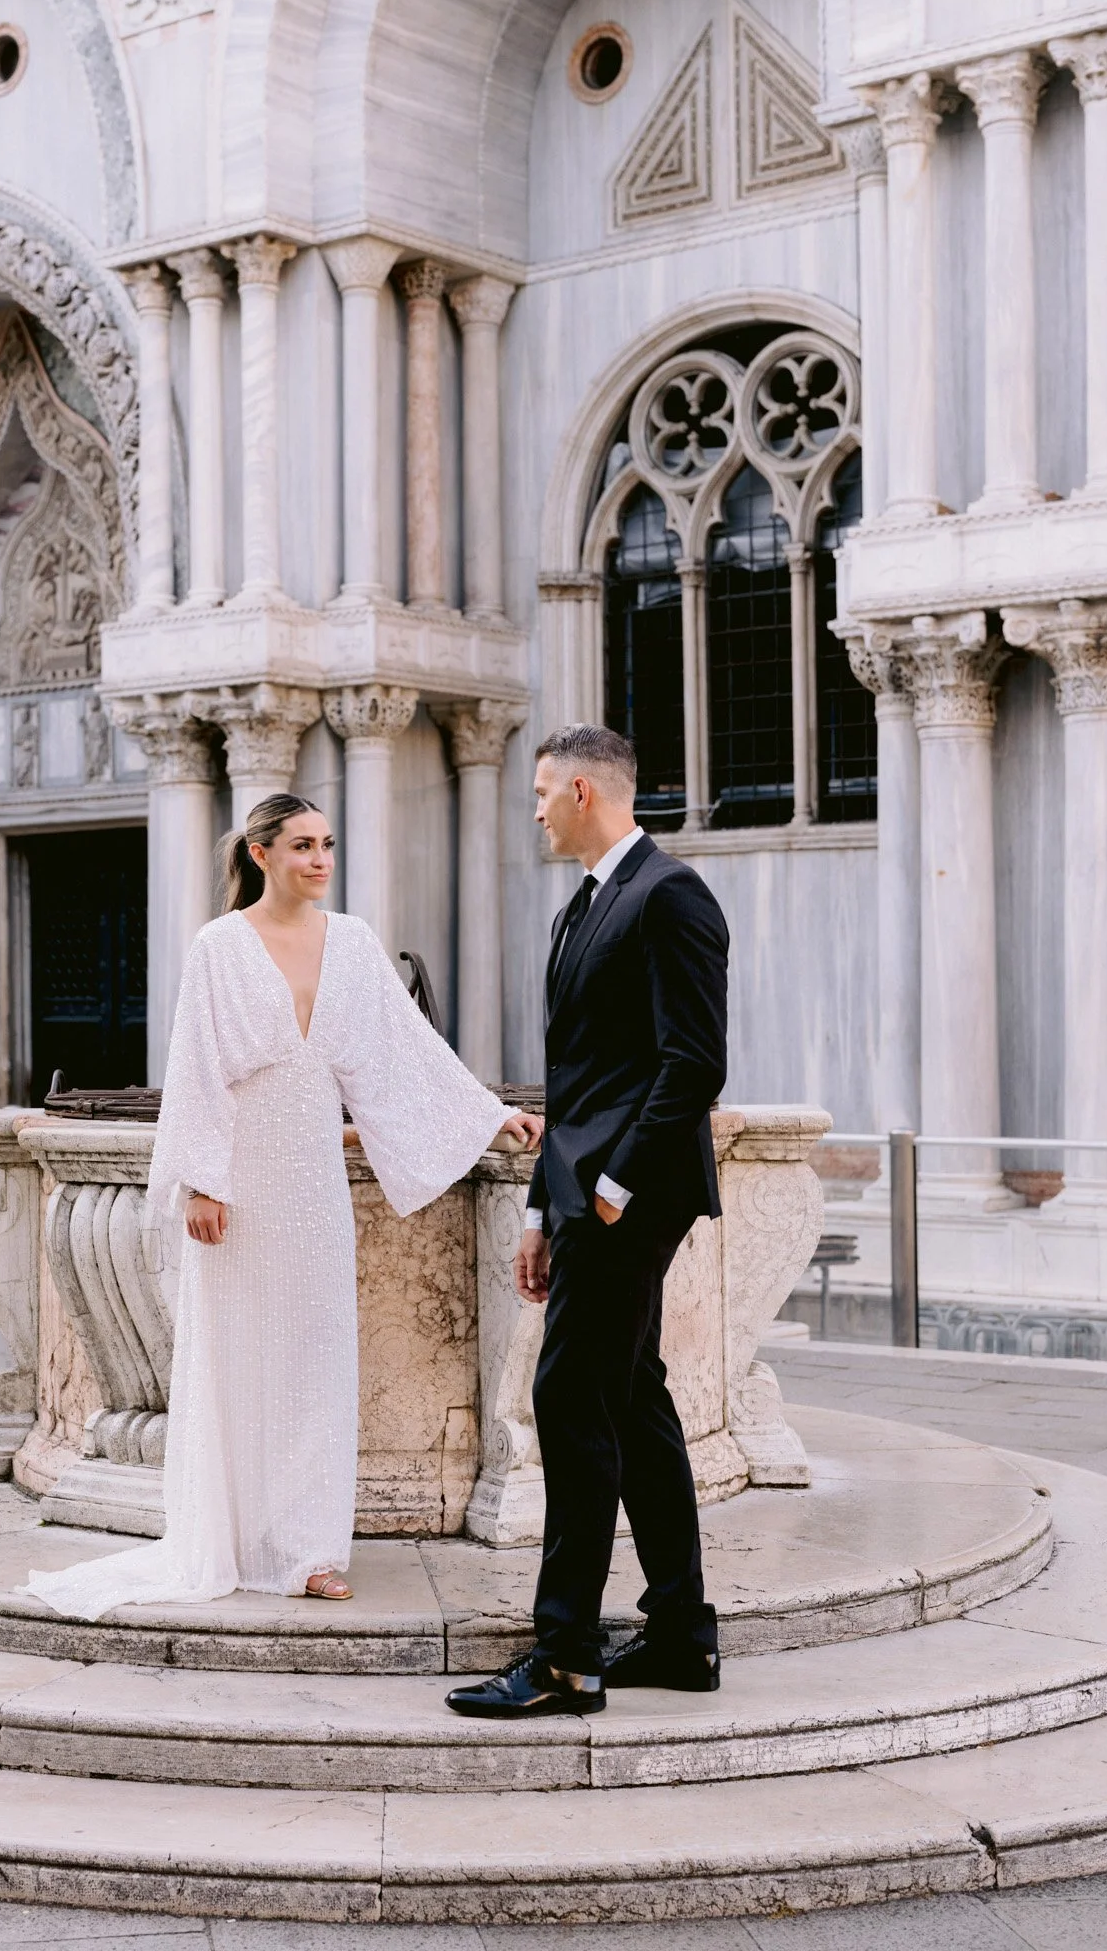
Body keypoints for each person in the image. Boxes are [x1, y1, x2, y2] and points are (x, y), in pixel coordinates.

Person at [23, 792, 542, 1617]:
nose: (320, 859)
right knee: (235, 1363)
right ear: (260, 854)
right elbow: (195, 1069)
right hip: (240, 1184)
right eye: (302, 845)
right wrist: (203, 1181)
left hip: (313, 1188)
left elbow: (410, 1051)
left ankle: (310, 1551)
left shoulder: (355, 943)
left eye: (327, 844)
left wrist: (488, 1116)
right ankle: (229, 1538)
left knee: (315, 1365)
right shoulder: (220, 946)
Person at [447, 723, 728, 1719]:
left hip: (630, 1197)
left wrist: (612, 1190)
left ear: (581, 792)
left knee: (568, 1397)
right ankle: (682, 1634)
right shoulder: (582, 907)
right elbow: (574, 1081)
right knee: (631, 1397)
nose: (531, 810)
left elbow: (694, 1063)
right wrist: (539, 1207)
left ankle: (566, 1654)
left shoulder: (671, 894)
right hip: (581, 1193)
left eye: (540, 792)